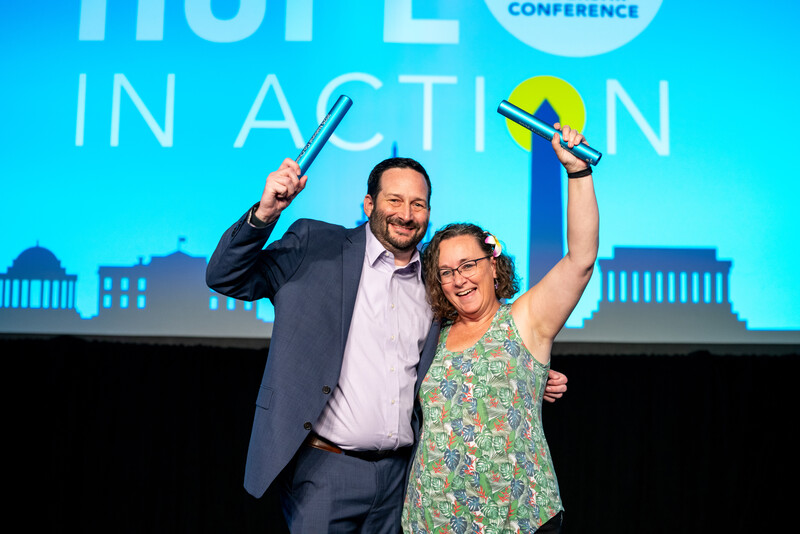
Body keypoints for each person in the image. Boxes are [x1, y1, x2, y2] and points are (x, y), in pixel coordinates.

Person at [206, 156, 569, 533]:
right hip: (324, 471)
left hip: (403, 479)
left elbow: (468, 345)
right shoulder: (317, 245)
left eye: (418, 204)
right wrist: (265, 213)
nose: (406, 214)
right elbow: (225, 276)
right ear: (369, 205)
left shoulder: (437, 279)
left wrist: (525, 369)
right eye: (394, 200)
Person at [402, 124, 598, 534]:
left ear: (493, 264)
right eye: (446, 273)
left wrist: (578, 173)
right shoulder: (433, 334)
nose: (459, 280)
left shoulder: (526, 319)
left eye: (468, 265)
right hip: (433, 520)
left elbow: (580, 259)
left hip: (519, 518)